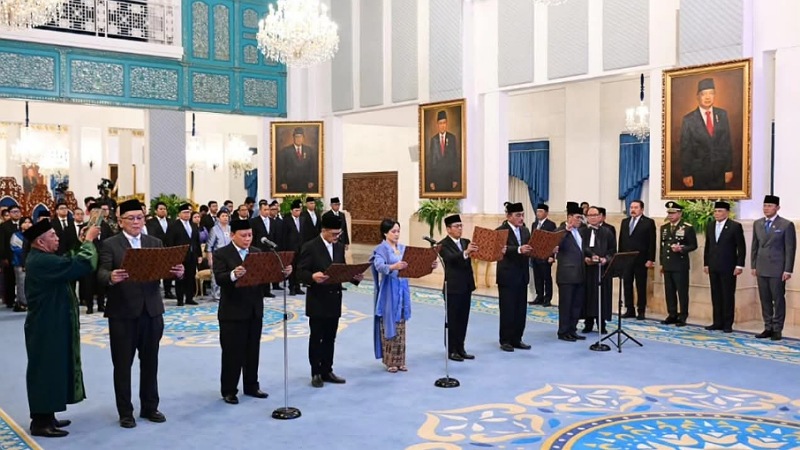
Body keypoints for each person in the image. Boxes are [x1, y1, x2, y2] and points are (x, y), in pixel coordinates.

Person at [98, 199, 184, 429]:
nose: (136, 222)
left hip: (152, 311)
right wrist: (110, 277)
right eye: (131, 218)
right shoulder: (110, 244)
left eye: (139, 218)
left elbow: (165, 268)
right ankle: (126, 412)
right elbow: (100, 271)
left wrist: (177, 272)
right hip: (123, 313)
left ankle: (150, 407)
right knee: (123, 365)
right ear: (120, 221)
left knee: (150, 362)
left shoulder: (154, 242)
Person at [24, 219, 100, 437]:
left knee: (54, 368)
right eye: (53, 236)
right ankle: (40, 422)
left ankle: (48, 415)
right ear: (40, 241)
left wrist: (80, 242)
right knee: (45, 370)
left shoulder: (45, 257)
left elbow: (68, 259)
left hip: (52, 321)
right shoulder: (41, 262)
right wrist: (89, 240)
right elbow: (81, 264)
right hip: (46, 325)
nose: (57, 239)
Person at [213, 220, 289, 403]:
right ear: (233, 235)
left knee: (252, 350)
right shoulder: (222, 253)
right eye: (243, 235)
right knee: (232, 352)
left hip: (254, 309)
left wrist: (282, 273)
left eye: (250, 235)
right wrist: (233, 275)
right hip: (232, 312)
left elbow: (265, 278)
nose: (248, 239)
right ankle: (229, 390)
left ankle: (251, 386)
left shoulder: (257, 253)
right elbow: (220, 278)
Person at [298, 214, 361, 387]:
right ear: (324, 231)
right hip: (318, 299)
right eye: (333, 234)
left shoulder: (339, 247)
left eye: (338, 234)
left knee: (330, 337)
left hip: (334, 298)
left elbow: (341, 269)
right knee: (317, 336)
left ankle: (327, 369)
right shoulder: (310, 247)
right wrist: (312, 276)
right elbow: (300, 272)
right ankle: (316, 372)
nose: (336, 237)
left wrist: (355, 277)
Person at [751, 195, 796, 341]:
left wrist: (787, 269)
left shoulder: (785, 225)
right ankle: (768, 327)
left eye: (770, 206)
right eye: (765, 206)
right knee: (764, 299)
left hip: (777, 268)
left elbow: (790, 249)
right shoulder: (757, 224)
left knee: (778, 299)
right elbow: (754, 246)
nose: (766, 208)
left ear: (777, 208)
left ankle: (777, 329)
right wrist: (753, 265)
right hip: (761, 267)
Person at [372, 219, 413, 372]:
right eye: (393, 231)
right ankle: (390, 361)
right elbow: (379, 266)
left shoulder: (402, 248)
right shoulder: (381, 249)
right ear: (385, 233)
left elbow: (412, 265)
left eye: (398, 231)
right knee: (390, 324)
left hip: (402, 289)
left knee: (401, 325)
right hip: (389, 291)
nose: (396, 234)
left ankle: (400, 359)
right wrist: (393, 266)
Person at [679, 78, 734, 190]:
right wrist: (686, 173)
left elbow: (726, 143)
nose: (708, 97)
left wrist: (728, 169)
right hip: (698, 173)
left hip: (720, 171)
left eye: (711, 93)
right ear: (698, 96)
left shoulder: (722, 114)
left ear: (715, 95)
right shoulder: (689, 119)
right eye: (704, 94)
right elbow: (685, 148)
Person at [438, 214, 477, 361]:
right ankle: (452, 350)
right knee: (453, 320)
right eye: (456, 226)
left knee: (463, 319)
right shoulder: (442, 245)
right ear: (448, 229)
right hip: (453, 287)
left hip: (466, 285)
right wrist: (465, 253)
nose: (460, 229)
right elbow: (450, 259)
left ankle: (461, 347)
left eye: (461, 226)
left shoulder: (466, 242)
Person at [703, 201, 746, 333]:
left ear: (727, 212)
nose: (717, 213)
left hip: (728, 266)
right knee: (715, 294)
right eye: (715, 211)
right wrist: (706, 263)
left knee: (727, 295)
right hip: (713, 266)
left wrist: (739, 265)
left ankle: (728, 323)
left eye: (720, 211)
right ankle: (717, 322)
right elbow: (708, 246)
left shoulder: (735, 226)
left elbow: (741, 247)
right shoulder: (710, 225)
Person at [495, 202, 531, 352]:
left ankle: (517, 338)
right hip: (507, 276)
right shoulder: (500, 231)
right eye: (518, 215)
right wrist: (518, 249)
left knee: (520, 309)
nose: (521, 218)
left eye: (522, 215)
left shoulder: (525, 231)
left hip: (522, 275)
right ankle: (506, 340)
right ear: (508, 216)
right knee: (508, 309)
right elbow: (500, 249)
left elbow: (529, 247)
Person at [551, 202, 587, 342]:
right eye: (578, 217)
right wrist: (567, 229)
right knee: (566, 305)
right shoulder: (560, 230)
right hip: (567, 275)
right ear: (570, 217)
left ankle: (572, 329)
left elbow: (582, 249)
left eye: (581, 217)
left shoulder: (580, 232)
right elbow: (556, 243)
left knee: (576, 304)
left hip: (580, 273)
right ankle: (563, 331)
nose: (580, 220)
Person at [659, 201, 698, 327]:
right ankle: (672, 314)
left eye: (673, 213)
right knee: (669, 292)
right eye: (669, 213)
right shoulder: (664, 228)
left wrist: (681, 248)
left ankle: (683, 316)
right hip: (668, 264)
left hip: (680, 265)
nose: (670, 215)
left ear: (680, 213)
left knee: (682, 292)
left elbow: (693, 245)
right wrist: (662, 264)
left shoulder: (687, 227)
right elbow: (662, 247)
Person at [618, 200, 656, 320]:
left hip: (641, 260)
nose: (633, 210)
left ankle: (641, 310)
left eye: (636, 207)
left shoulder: (648, 223)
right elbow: (621, 241)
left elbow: (652, 242)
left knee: (640, 285)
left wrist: (651, 259)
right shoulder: (625, 222)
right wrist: (620, 257)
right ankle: (629, 309)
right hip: (627, 260)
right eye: (631, 207)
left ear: (642, 209)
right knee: (627, 284)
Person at [581, 207, 616, 334]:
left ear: (600, 216)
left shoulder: (607, 232)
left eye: (595, 215)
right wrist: (586, 258)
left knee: (601, 296)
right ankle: (588, 322)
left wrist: (605, 259)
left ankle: (601, 323)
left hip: (602, 270)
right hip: (587, 270)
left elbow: (612, 250)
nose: (592, 217)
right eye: (589, 215)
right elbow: (579, 249)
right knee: (588, 295)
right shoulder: (582, 232)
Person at [166, 203, 201, 306]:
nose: (187, 214)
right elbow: (170, 242)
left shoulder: (193, 225)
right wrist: (172, 256)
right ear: (179, 214)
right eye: (185, 212)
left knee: (191, 277)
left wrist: (199, 255)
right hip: (179, 256)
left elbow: (196, 241)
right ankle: (180, 299)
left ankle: (189, 298)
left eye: (188, 212)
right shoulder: (173, 225)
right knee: (180, 278)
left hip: (192, 255)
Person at [425, 110, 461, 193]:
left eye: (444, 123)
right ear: (437, 125)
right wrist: (431, 181)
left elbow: (455, 159)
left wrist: (455, 178)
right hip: (437, 178)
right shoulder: (433, 140)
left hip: (449, 178)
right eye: (440, 123)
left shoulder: (452, 138)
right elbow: (431, 161)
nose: (442, 126)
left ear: (446, 124)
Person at [145, 201, 174, 299]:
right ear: (156, 210)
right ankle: (155, 291)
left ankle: (168, 291)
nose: (163, 211)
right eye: (161, 209)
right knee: (156, 271)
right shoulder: (150, 222)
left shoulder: (171, 221)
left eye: (164, 209)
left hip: (169, 249)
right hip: (156, 249)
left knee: (169, 271)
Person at [277, 127, 319, 193]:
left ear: (303, 138)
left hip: (305, 182)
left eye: (300, 137)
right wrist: (283, 182)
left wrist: (311, 180)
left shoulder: (309, 150)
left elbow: (312, 167)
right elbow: (282, 167)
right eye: (296, 137)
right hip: (290, 183)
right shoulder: (286, 151)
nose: (298, 139)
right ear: (293, 138)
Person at [530, 203, 556, 306]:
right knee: (537, 277)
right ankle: (539, 296)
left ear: (546, 213)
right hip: (535, 255)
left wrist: (551, 256)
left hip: (546, 256)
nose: (538, 214)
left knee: (546, 278)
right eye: (537, 211)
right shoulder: (534, 224)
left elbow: (553, 241)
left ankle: (547, 298)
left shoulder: (551, 225)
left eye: (540, 211)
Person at [206, 208, 232, 299]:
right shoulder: (214, 229)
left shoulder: (230, 228)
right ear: (218, 218)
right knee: (217, 276)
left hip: (229, 255)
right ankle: (216, 295)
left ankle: (227, 293)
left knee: (229, 275)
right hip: (218, 256)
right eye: (223, 216)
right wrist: (210, 259)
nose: (225, 218)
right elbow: (209, 246)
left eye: (227, 216)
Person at [0, 204, 22, 308]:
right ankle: (10, 300)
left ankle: (23, 299)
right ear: (9, 213)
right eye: (14, 212)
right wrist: (3, 257)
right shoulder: (4, 226)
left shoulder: (24, 223)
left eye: (18, 211)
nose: (16, 214)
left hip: (23, 256)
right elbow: (2, 243)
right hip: (10, 256)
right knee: (9, 279)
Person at [10, 216, 33, 312]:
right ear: (21, 224)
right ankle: (22, 303)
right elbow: (16, 249)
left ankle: (30, 302)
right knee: (21, 284)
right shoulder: (16, 235)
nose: (27, 224)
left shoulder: (34, 235)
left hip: (32, 263)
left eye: (29, 222)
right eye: (25, 222)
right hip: (19, 263)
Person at [282, 200, 305, 295]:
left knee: (299, 268)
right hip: (290, 248)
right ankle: (291, 287)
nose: (297, 212)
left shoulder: (303, 219)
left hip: (301, 248)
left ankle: (298, 286)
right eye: (296, 210)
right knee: (291, 268)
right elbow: (284, 235)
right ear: (291, 211)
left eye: (299, 210)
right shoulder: (286, 221)